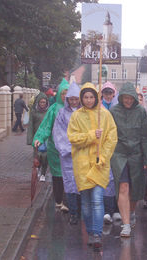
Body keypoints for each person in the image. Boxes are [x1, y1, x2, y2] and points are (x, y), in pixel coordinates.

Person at [67, 83, 117, 251]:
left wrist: (103, 156)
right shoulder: (76, 116)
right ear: (82, 98)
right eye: (85, 97)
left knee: (97, 200)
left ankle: (97, 234)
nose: (88, 100)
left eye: (91, 97)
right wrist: (90, 136)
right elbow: (72, 137)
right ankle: (90, 231)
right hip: (82, 165)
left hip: (99, 165)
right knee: (86, 203)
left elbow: (112, 138)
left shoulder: (105, 115)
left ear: (96, 97)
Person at [110, 82, 147, 237]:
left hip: (136, 155)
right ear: (121, 97)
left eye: (130, 98)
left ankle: (131, 211)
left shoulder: (140, 111)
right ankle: (126, 224)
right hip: (119, 154)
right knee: (123, 187)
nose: (128, 101)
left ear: (135, 98)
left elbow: (145, 136)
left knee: (135, 189)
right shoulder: (113, 111)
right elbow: (110, 134)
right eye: (125, 98)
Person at [33, 78, 70, 212]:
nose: (65, 96)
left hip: (71, 149)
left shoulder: (76, 109)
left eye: (67, 93)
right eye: (63, 93)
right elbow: (46, 126)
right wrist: (39, 138)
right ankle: (59, 200)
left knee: (70, 175)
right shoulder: (54, 109)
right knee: (57, 175)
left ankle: (68, 201)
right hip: (55, 148)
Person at [52, 81, 82, 225]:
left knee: (82, 182)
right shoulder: (62, 114)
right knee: (70, 183)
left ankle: (82, 211)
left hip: (83, 153)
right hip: (68, 155)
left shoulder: (85, 113)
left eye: (76, 98)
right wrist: (68, 148)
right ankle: (73, 212)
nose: (74, 101)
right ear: (67, 99)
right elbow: (59, 133)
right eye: (72, 99)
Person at [100, 81, 121, 225]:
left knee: (118, 179)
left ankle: (117, 209)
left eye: (110, 92)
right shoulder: (98, 108)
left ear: (114, 93)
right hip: (102, 147)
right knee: (106, 179)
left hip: (118, 147)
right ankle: (107, 210)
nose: (108, 95)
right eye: (105, 93)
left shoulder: (118, 107)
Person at [26, 92, 49, 182]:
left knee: (45, 156)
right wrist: (30, 139)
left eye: (44, 102)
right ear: (38, 103)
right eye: (41, 102)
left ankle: (43, 173)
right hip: (37, 137)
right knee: (37, 155)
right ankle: (38, 169)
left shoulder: (48, 112)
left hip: (46, 138)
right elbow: (30, 126)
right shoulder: (34, 112)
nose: (42, 104)